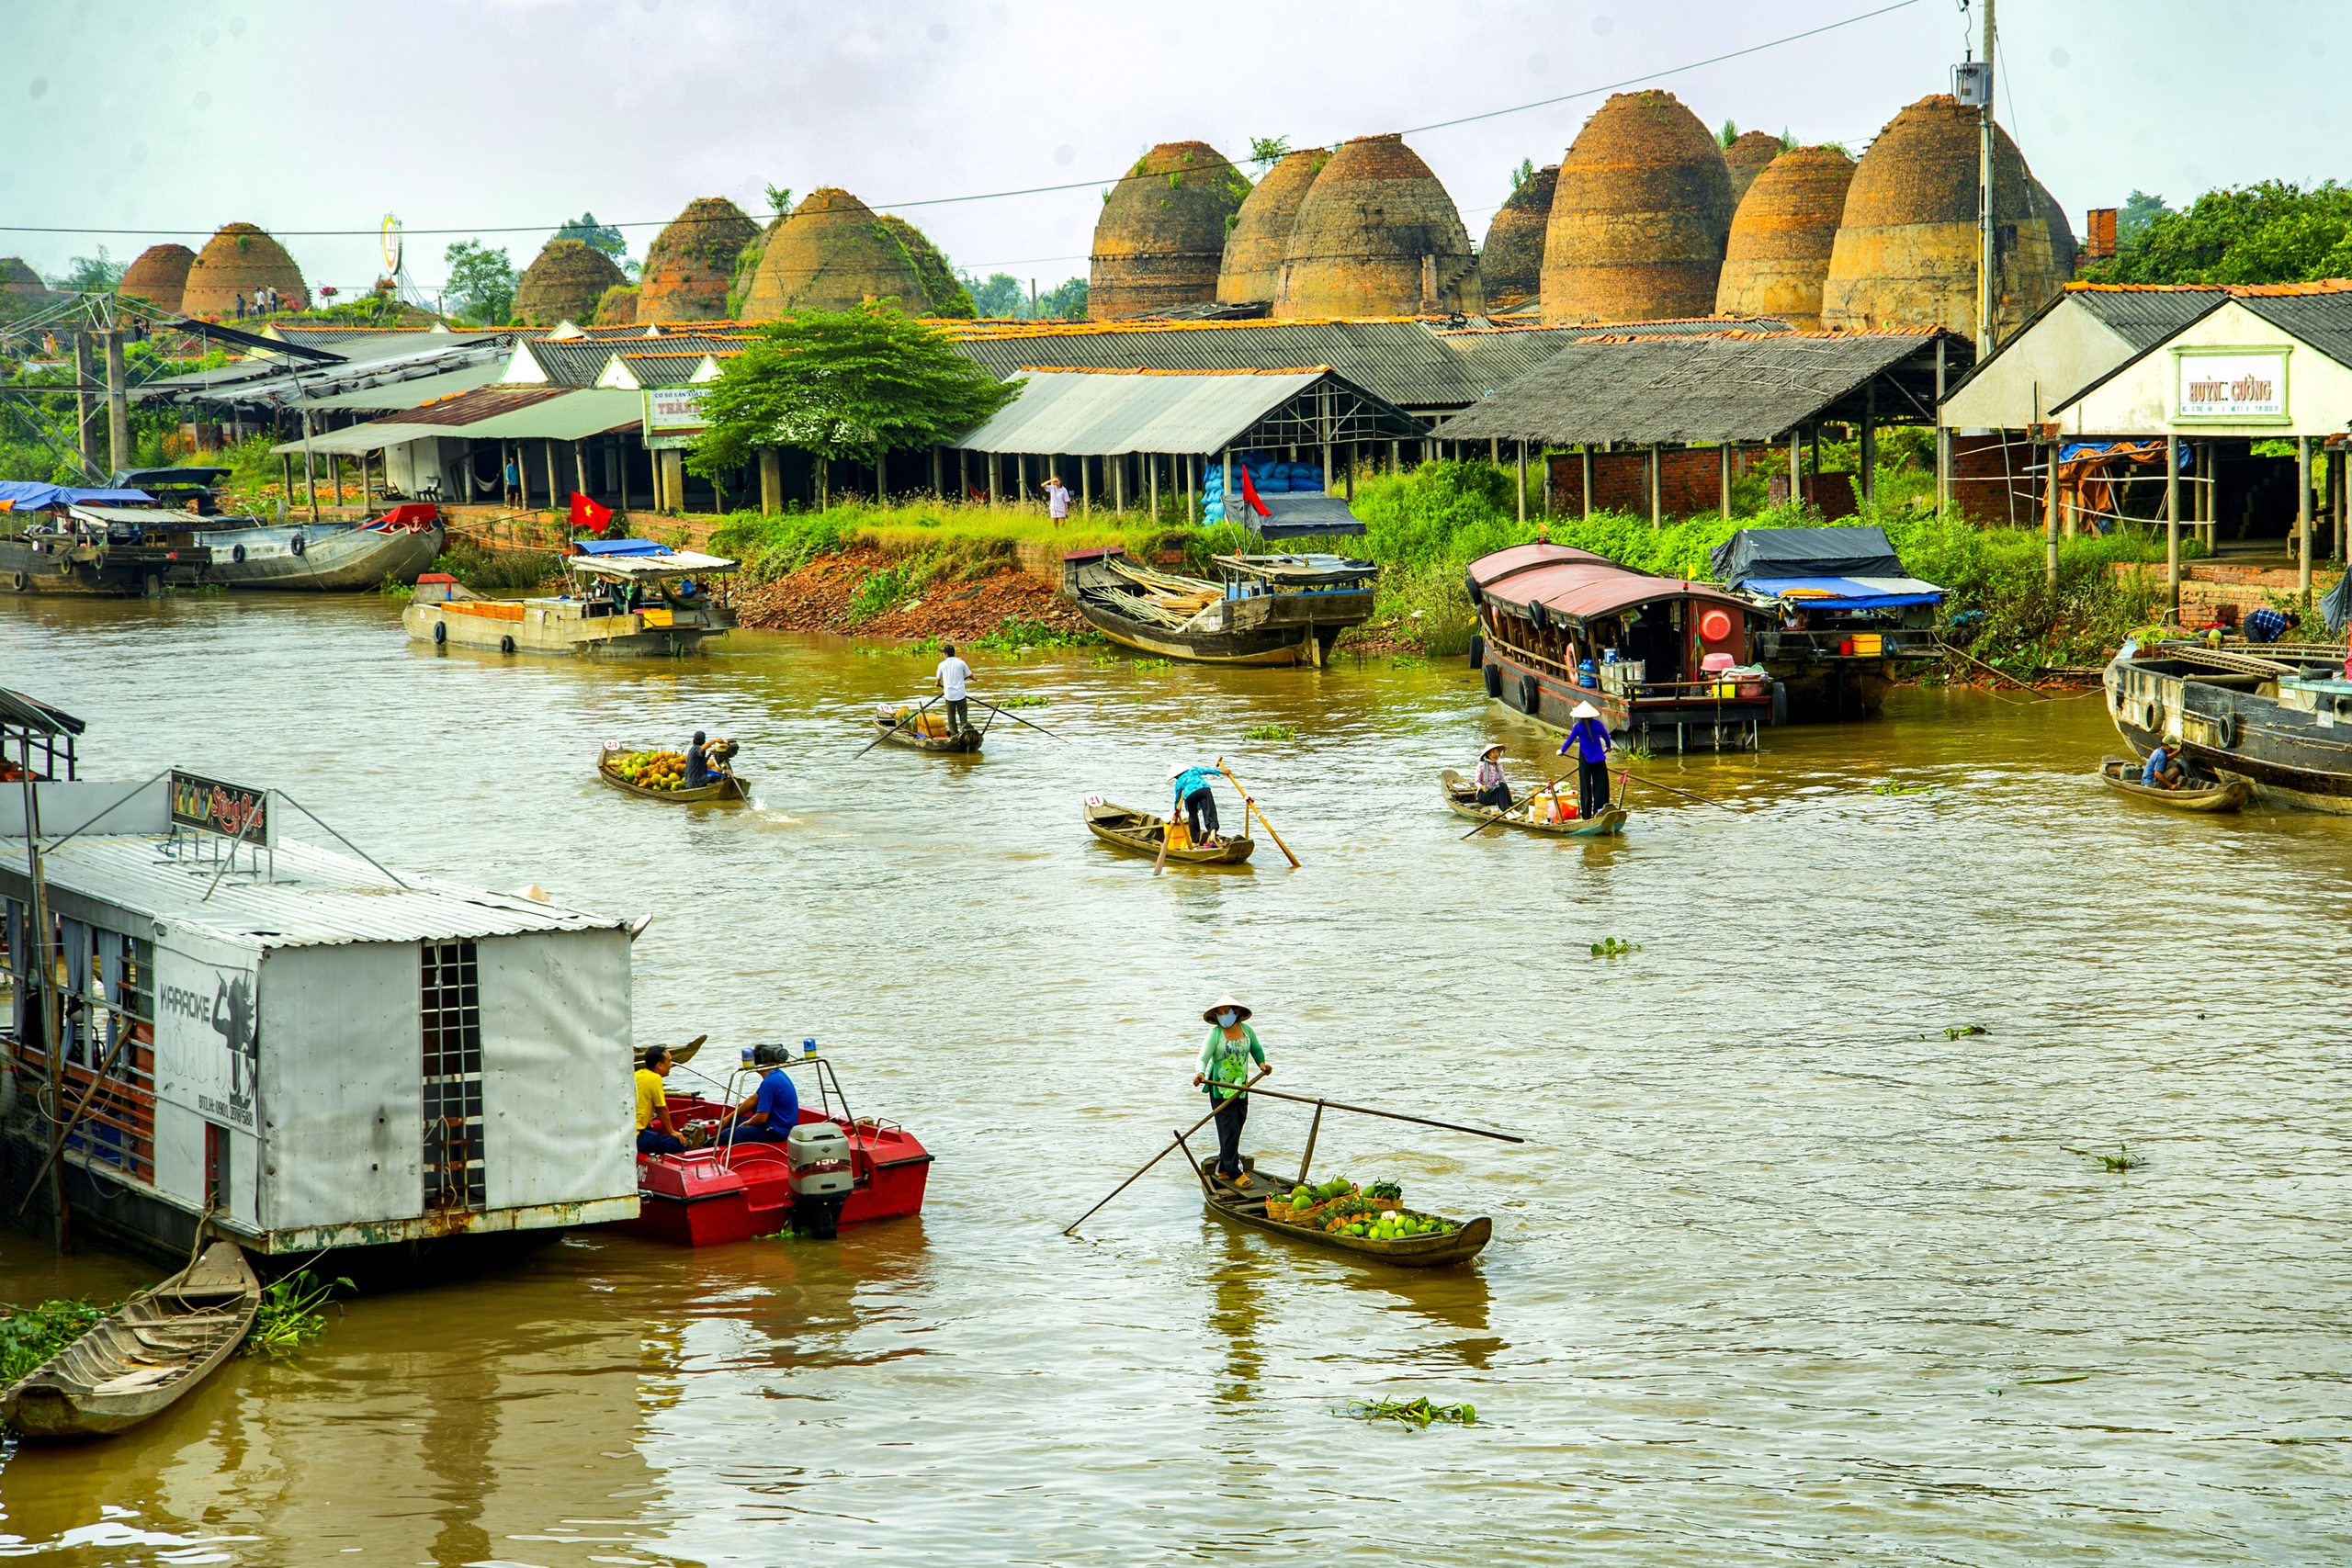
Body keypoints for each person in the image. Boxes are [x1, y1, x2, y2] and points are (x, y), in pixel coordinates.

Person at [1192, 996, 1268, 1187]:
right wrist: (1200, 1073)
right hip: (1221, 1089)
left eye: (1228, 1011)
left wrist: (1262, 1065)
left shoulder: (1247, 1031)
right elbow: (1202, 1057)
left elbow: (1256, 1050)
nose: (1225, 1016)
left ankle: (1223, 1165)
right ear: (1216, 1016)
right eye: (1221, 1012)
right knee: (1228, 1128)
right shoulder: (1215, 1035)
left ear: (1236, 1012)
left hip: (1241, 1087)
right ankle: (1235, 1172)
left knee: (1239, 1122)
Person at [718, 1052, 800, 1145]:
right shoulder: (778, 1074)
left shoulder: (768, 1083)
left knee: (725, 1135)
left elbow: (761, 1118)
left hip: (776, 1130)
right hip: (780, 1124)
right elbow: (753, 1100)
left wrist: (745, 1124)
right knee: (732, 1122)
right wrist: (729, 1117)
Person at [1557, 701, 1612, 818]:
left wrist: (1561, 751)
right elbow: (1607, 739)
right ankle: (1599, 812)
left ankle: (1586, 816)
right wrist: (1609, 747)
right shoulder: (1598, 724)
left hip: (1585, 760)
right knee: (1601, 787)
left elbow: (1569, 740)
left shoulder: (1578, 727)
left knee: (1585, 787)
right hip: (1599, 759)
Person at [634, 1045, 684, 1156]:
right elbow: (661, 1108)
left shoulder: (637, 1074)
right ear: (659, 1065)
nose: (671, 1065)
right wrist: (671, 1131)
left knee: (654, 1134)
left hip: (632, 1130)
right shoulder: (655, 1078)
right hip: (636, 1135)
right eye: (669, 1061)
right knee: (678, 1143)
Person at [1169, 762, 1223, 845]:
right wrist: (1221, 772)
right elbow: (1207, 770)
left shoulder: (1178, 782)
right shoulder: (1193, 770)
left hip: (1190, 795)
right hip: (1204, 790)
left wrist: (1176, 812)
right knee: (1210, 813)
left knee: (1192, 816)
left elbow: (1177, 799)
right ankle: (1212, 834)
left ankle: (1195, 842)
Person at [934, 642, 972, 732]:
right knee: (963, 714)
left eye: (944, 653)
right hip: (961, 694)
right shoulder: (961, 663)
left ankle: (954, 733)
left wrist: (937, 684)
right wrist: (975, 679)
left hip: (949, 695)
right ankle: (964, 730)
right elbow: (970, 675)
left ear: (946, 654)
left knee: (951, 716)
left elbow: (938, 680)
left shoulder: (942, 665)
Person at [1471, 742, 1511, 811]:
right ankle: (1506, 809)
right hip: (1484, 794)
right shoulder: (1481, 765)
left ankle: (1510, 807)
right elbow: (1477, 782)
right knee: (1499, 789)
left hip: (1494, 791)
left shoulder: (1499, 765)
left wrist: (1507, 791)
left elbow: (1501, 781)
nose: (1495, 754)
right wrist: (1482, 786)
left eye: (1497, 752)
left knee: (1503, 785)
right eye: (1493, 752)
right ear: (1487, 754)